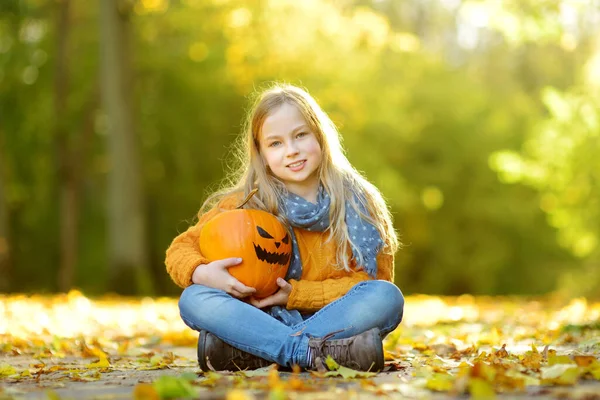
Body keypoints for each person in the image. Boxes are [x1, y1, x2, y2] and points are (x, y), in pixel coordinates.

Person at [165, 84, 404, 372]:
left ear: (320, 135)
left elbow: (372, 281)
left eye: (300, 135)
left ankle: (257, 350)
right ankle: (317, 353)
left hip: (335, 320)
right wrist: (202, 272)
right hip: (258, 317)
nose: (291, 151)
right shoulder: (245, 203)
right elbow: (179, 250)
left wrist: (295, 294)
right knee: (194, 298)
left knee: (386, 297)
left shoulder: (359, 203)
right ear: (261, 153)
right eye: (275, 143)